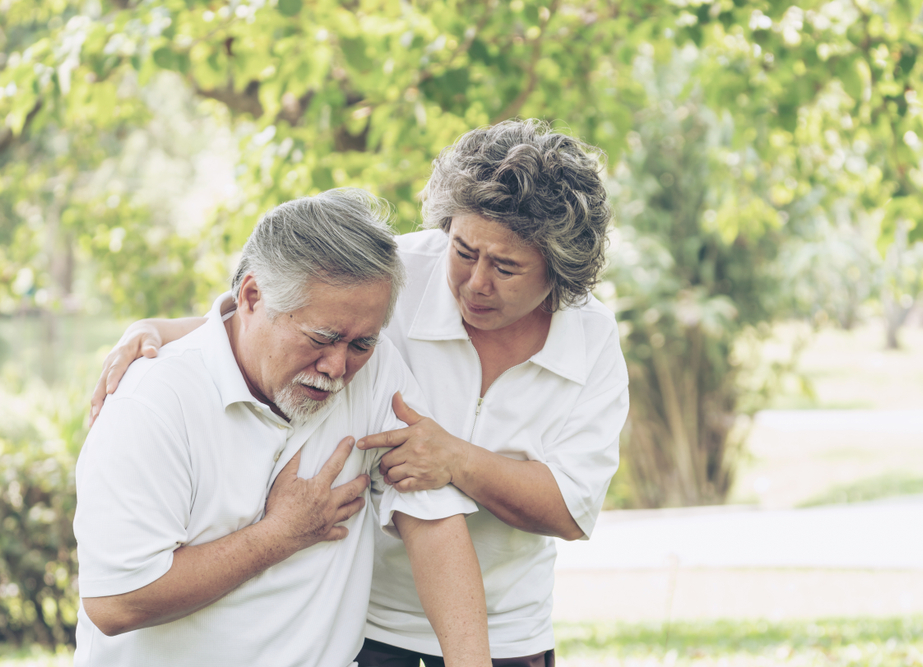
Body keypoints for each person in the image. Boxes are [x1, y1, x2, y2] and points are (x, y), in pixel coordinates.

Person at [90, 120, 630, 667]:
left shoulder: (585, 340)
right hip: (370, 617)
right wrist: (158, 329)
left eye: (506, 267)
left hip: (506, 622)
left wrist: (454, 460)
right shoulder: (394, 274)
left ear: (558, 272)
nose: (475, 282)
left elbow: (564, 508)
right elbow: (270, 310)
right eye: (463, 251)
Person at [74, 189, 491, 667]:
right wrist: (281, 534)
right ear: (252, 296)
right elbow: (115, 602)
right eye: (322, 338)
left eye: (361, 343)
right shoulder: (153, 400)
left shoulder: (376, 373)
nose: (337, 366)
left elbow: (432, 522)